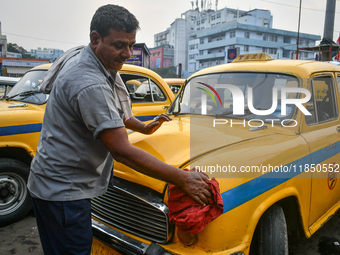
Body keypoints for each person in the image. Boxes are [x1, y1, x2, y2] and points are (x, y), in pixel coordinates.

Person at [27, 4, 212, 255]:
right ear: (95, 39)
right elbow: (122, 151)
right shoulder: (89, 82)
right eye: (119, 45)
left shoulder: (92, 61)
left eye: (132, 45)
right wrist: (182, 178)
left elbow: (116, 113)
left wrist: (145, 128)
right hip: (64, 193)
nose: (127, 53)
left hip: (51, 183)